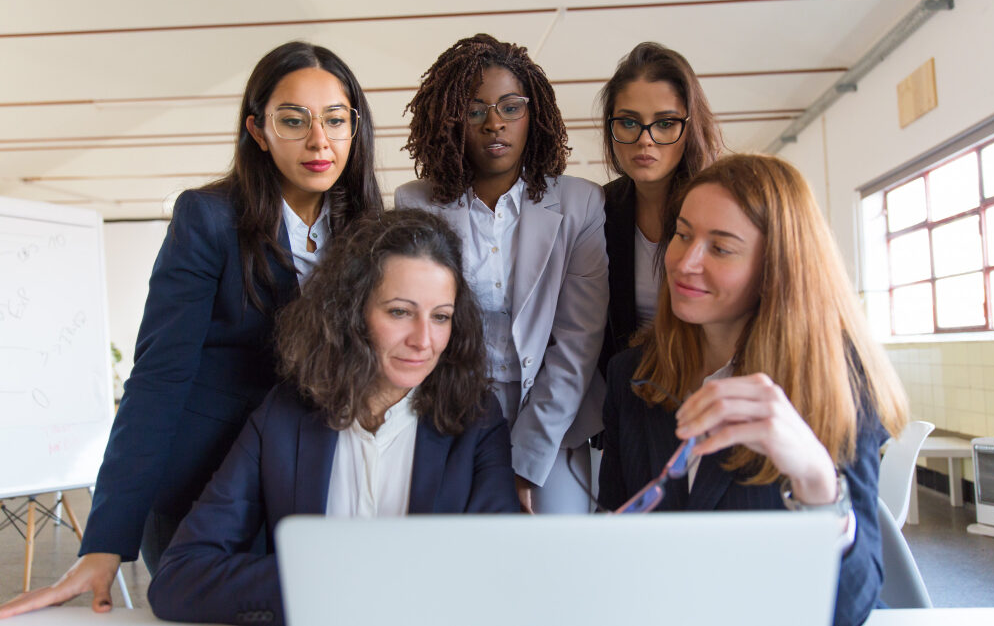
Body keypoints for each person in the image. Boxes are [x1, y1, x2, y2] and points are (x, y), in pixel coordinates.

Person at [0, 41, 382, 618]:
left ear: (355, 126)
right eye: (293, 120)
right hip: (202, 490)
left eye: (335, 119)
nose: (319, 141)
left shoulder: (372, 230)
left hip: (317, 485)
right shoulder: (209, 218)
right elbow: (158, 378)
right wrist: (105, 540)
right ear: (258, 130)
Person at [147, 209, 519, 625]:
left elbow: (499, 573)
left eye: (441, 317)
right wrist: (327, 579)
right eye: (399, 312)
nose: (423, 341)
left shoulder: (478, 420)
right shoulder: (284, 416)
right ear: (353, 310)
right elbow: (177, 579)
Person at [598, 154, 908, 626]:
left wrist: (816, 480)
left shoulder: (835, 385)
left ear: (776, 269)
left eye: (720, 248)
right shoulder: (631, 376)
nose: (685, 263)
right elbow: (617, 543)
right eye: (682, 235)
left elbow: (849, 609)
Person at [395, 33, 609, 514]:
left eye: (511, 107)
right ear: (452, 122)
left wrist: (525, 460)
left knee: (558, 551)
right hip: (452, 405)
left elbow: (577, 341)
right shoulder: (415, 203)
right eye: (475, 111)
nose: (495, 123)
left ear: (534, 115)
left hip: (554, 409)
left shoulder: (580, 204)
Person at [598, 42, 723, 376]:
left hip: (713, 387)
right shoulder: (599, 210)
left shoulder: (724, 207)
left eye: (665, 123)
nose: (645, 139)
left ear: (690, 127)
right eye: (629, 122)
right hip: (631, 397)